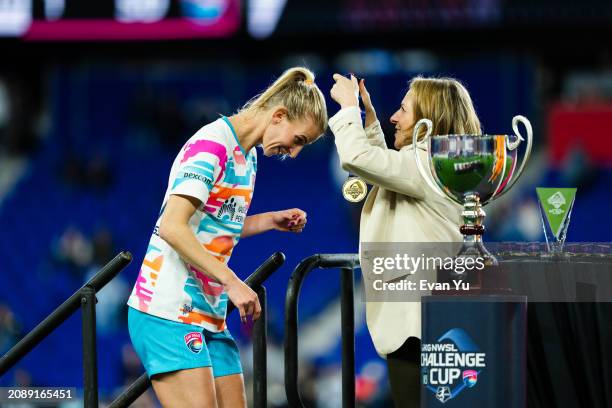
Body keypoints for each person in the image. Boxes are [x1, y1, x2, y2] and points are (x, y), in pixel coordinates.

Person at [127, 67, 327, 408]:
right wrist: (233, 282)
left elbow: (216, 225)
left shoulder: (247, 156)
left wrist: (268, 221)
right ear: (278, 116)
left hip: (209, 315)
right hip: (167, 312)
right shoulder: (212, 144)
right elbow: (173, 226)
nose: (293, 153)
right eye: (298, 140)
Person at [329, 74, 481, 407]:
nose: (393, 118)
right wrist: (369, 118)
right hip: (431, 324)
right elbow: (387, 169)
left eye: (403, 110)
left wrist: (349, 108)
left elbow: (357, 158)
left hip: (419, 328)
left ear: (428, 121)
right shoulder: (438, 164)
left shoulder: (427, 165)